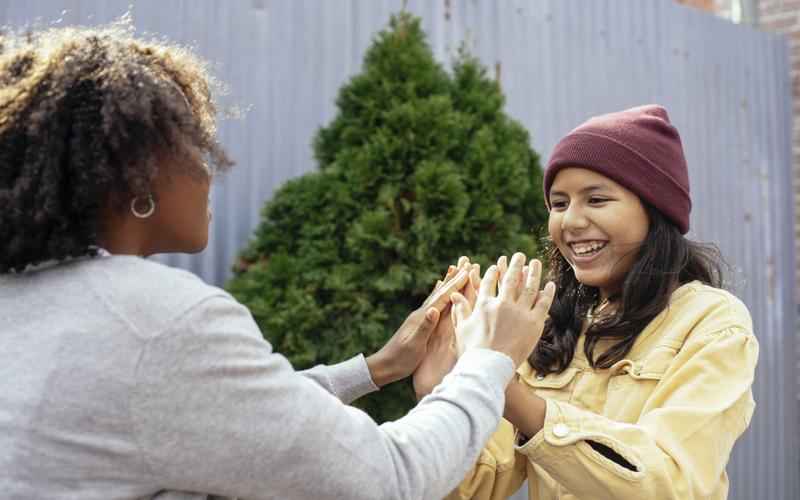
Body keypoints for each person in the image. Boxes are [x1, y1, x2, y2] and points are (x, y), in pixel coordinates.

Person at [0, 24, 556, 499]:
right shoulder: (157, 319)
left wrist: (377, 368)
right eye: (194, 143)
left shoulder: (29, 297)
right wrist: (488, 358)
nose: (210, 168)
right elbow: (390, 478)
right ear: (138, 174)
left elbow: (221, 410)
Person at [415, 105, 759, 500]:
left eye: (596, 200)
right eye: (559, 204)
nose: (570, 222)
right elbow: (479, 486)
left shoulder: (711, 322)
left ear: (655, 210)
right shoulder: (549, 326)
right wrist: (442, 390)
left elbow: (669, 483)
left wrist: (505, 388)